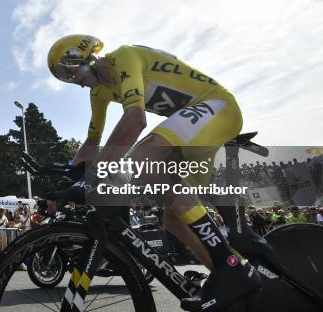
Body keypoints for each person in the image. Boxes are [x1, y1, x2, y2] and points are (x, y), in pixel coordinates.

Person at [47, 34, 262, 311]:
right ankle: (230, 284)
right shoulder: (98, 93)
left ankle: (230, 265)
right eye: (66, 79)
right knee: (173, 220)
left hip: (218, 106)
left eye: (70, 73)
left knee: (143, 155)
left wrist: (99, 172)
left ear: (84, 57)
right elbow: (91, 142)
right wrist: (68, 176)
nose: (73, 81)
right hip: (193, 129)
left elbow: (135, 120)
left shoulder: (123, 57)